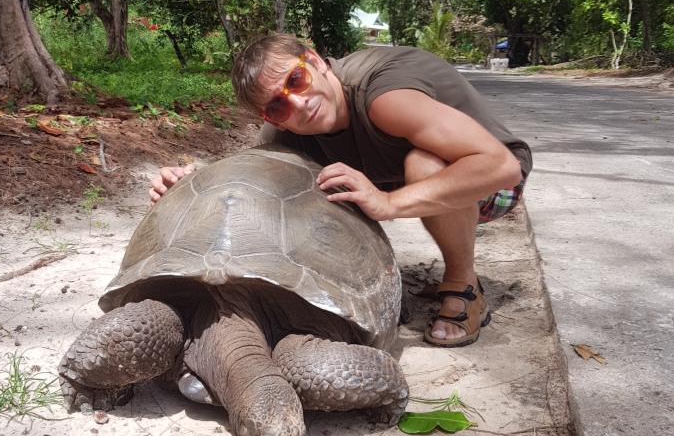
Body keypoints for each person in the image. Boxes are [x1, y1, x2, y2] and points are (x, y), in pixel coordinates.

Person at [150, 34, 532, 348]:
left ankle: (464, 283)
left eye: (295, 80)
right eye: (278, 106)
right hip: (401, 181)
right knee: (304, 181)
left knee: (423, 163)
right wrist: (190, 181)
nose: (298, 103)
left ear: (315, 60)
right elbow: (257, 181)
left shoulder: (383, 96)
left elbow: (501, 167)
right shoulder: (287, 130)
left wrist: (388, 203)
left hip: (487, 181)